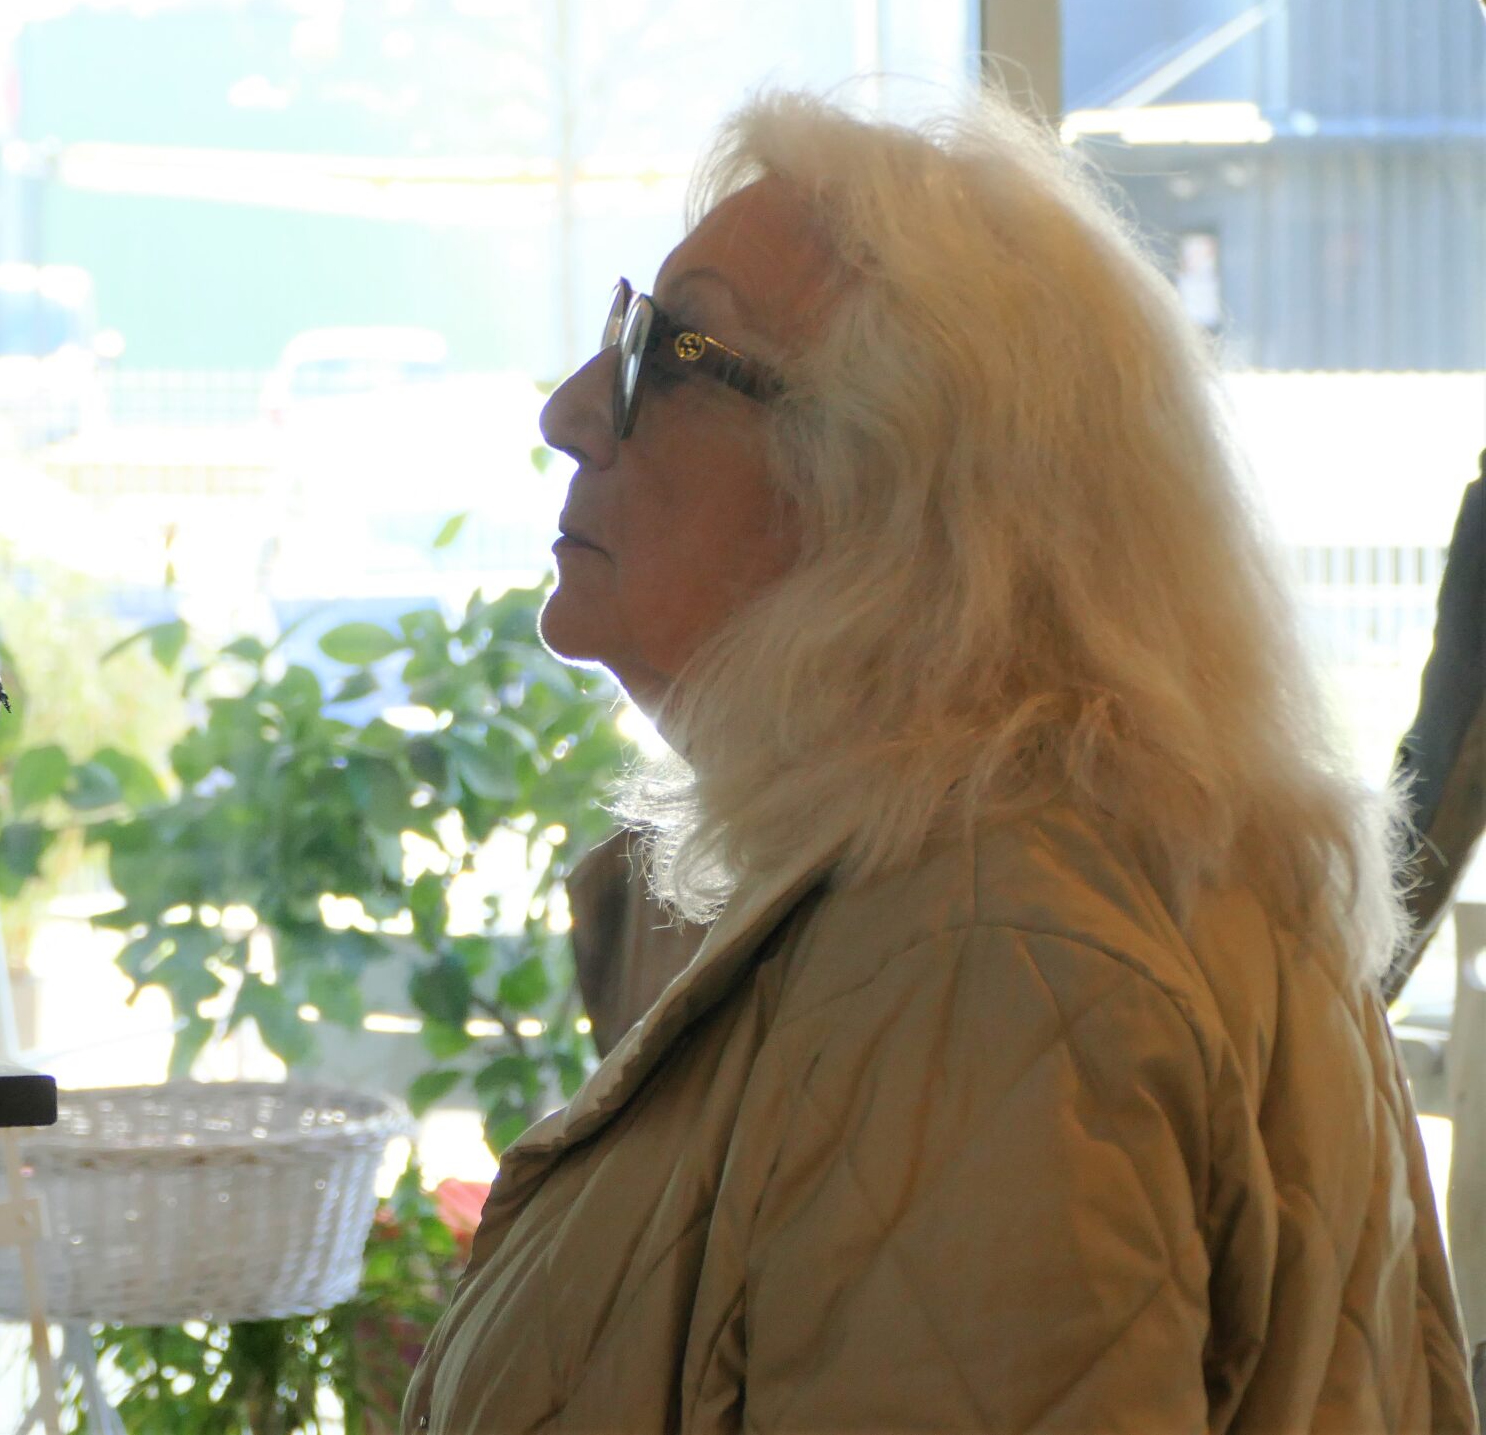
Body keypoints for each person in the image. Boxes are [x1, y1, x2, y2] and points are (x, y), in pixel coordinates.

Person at [404, 89, 1474, 1433]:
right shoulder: (1002, 890)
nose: (571, 413)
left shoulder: (992, 957)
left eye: (667, 352)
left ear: (896, 485)